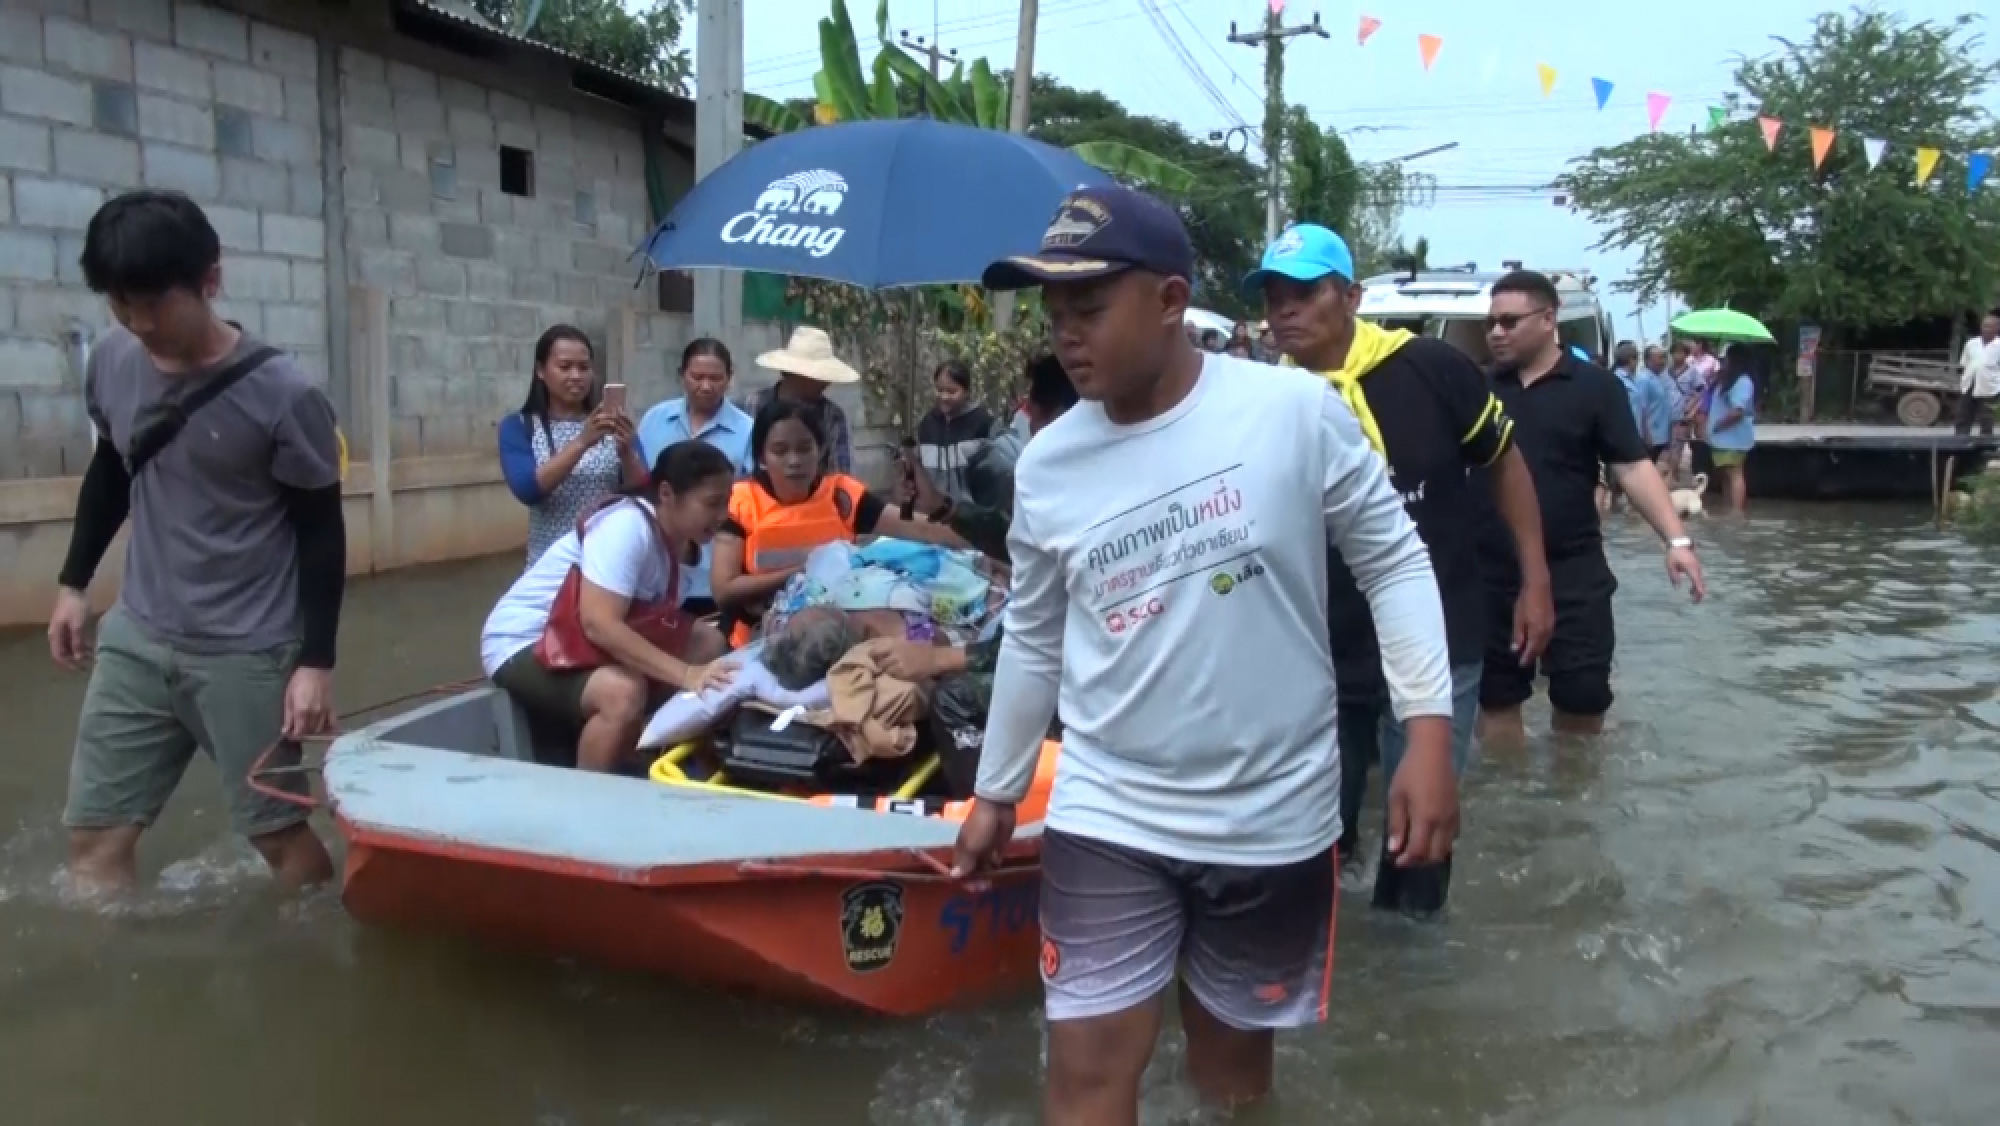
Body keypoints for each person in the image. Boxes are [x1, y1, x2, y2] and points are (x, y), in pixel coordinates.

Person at [956, 186, 1460, 1118]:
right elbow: (1033, 633)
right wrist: (996, 790)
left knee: (1232, 1086)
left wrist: (1426, 733)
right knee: (1086, 1076)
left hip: (1273, 815)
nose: (1067, 335)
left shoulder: (1293, 413)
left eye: (1089, 309)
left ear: (1171, 300)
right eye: (1054, 313)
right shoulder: (1049, 465)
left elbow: (1393, 561)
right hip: (1110, 804)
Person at [1247, 223, 1554, 915]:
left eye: (1304, 292)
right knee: (1317, 831)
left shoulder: (1429, 369)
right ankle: (1337, 955)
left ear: (1352, 297)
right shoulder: (1263, 402)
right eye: (1273, 296)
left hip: (1442, 632)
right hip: (1323, 647)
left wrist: (1535, 581)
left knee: (1419, 835)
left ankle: (1412, 959)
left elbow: (1503, 463)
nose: (1285, 310)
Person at [48, 190, 345, 894]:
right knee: (94, 839)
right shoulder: (113, 362)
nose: (140, 323)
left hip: (247, 649)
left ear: (210, 280)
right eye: (121, 304)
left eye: (156, 303)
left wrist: (315, 663)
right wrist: (72, 584)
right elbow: (112, 471)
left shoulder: (284, 395)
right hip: (138, 636)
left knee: (278, 837)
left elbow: (321, 529)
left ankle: (317, 936)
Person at [1477, 270, 1707, 744]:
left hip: (1574, 569)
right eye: (1491, 323)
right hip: (1492, 571)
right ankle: (1513, 787)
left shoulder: (1595, 387)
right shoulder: (1477, 388)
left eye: (1509, 321)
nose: (1497, 332)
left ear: (1548, 319)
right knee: (1496, 701)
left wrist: (1676, 540)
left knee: (1582, 701)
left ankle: (1573, 787)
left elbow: (1632, 467)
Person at [481, 441, 739, 772]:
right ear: (666, 494)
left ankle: (640, 746)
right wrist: (686, 674)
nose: (722, 516)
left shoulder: (680, 544)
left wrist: (694, 671)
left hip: (582, 641)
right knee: (622, 693)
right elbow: (599, 624)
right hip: (526, 640)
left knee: (708, 642)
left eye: (726, 503)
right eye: (712, 504)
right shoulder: (626, 526)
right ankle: (588, 792)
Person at [711, 399, 968, 645]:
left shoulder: (841, 496)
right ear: (761, 458)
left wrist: (980, 534)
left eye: (804, 449)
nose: (794, 461)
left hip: (838, 636)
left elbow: (918, 527)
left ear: (820, 450)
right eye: (780, 451)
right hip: (758, 639)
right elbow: (724, 590)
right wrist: (805, 570)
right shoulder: (740, 502)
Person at [499, 326, 648, 565]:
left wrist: (627, 453)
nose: (576, 376)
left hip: (609, 562)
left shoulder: (610, 423)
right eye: (565, 367)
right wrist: (582, 442)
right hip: (551, 565)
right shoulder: (519, 426)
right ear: (541, 371)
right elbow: (527, 489)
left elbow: (642, 489)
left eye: (584, 367)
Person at [636, 338, 755, 615]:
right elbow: (641, 482)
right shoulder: (655, 419)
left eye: (716, 378)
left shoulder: (747, 430)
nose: (706, 386)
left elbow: (750, 502)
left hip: (715, 570)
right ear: (681, 375)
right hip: (657, 568)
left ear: (729, 378)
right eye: (697, 377)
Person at [743, 325, 856, 474]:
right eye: (817, 376)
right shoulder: (755, 404)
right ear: (792, 374)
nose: (825, 383)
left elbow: (840, 473)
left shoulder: (832, 416)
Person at [914, 360, 995, 504]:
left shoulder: (982, 422)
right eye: (939, 390)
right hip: (933, 510)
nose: (944, 397)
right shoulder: (927, 423)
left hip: (970, 512)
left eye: (952, 392)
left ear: (967, 392)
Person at [1706, 349, 1757, 514]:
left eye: (1726, 359)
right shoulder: (1726, 380)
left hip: (1733, 438)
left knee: (1735, 474)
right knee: (1726, 475)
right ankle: (1728, 508)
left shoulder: (1743, 382)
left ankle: (1736, 511)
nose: (1724, 362)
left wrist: (1719, 425)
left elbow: (1737, 411)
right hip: (1722, 438)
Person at [1956, 312, 2000, 437]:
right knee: (1963, 417)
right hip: (1969, 385)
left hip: (1989, 388)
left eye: (1990, 326)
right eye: (1984, 326)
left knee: (1986, 419)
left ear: (1997, 328)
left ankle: (1985, 445)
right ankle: (1960, 443)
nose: (1986, 329)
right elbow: (1965, 363)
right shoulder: (1971, 343)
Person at [1637, 345, 1677, 464]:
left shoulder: (1659, 378)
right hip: (1651, 436)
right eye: (1660, 358)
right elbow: (1641, 409)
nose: (1663, 361)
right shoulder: (1644, 379)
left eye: (1664, 358)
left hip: (1660, 435)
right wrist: (1646, 435)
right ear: (1648, 360)